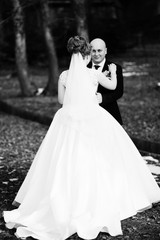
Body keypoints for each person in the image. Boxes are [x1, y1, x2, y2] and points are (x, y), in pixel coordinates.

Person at [3, 36, 160, 240]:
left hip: (68, 119)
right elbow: (113, 87)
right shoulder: (93, 74)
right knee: (99, 157)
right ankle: (99, 199)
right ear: (86, 54)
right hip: (94, 118)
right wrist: (112, 73)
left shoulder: (64, 76)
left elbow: (61, 100)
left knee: (66, 158)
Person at [88, 38, 123, 125]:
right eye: (93, 51)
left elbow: (119, 92)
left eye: (99, 50)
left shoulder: (115, 68)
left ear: (105, 51)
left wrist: (103, 98)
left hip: (109, 112)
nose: (96, 54)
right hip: (88, 114)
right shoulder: (84, 67)